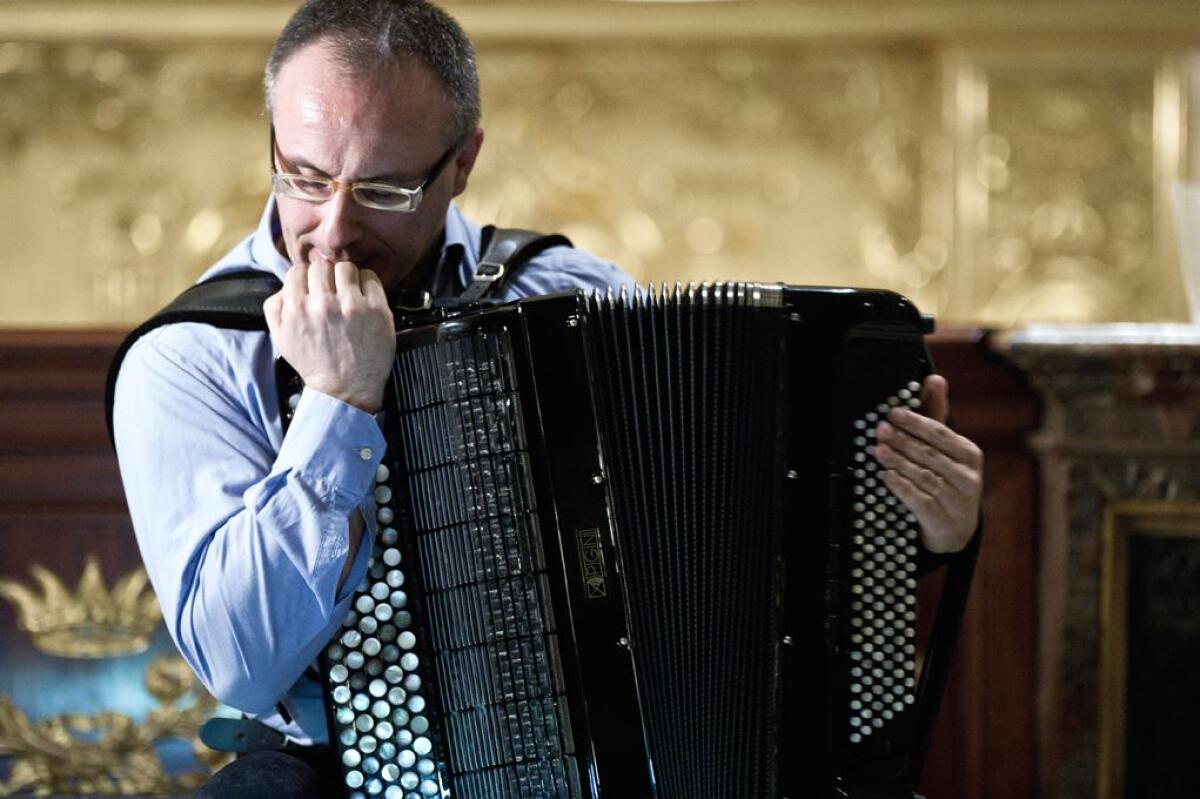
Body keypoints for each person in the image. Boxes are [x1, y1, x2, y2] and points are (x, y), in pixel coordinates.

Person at [111, 1, 983, 797]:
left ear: (462, 165)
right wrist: (338, 400)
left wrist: (916, 529)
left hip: (603, 748)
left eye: (382, 190)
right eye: (303, 177)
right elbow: (243, 664)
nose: (333, 228)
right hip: (334, 771)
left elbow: (723, 526)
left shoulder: (566, 294)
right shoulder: (194, 356)